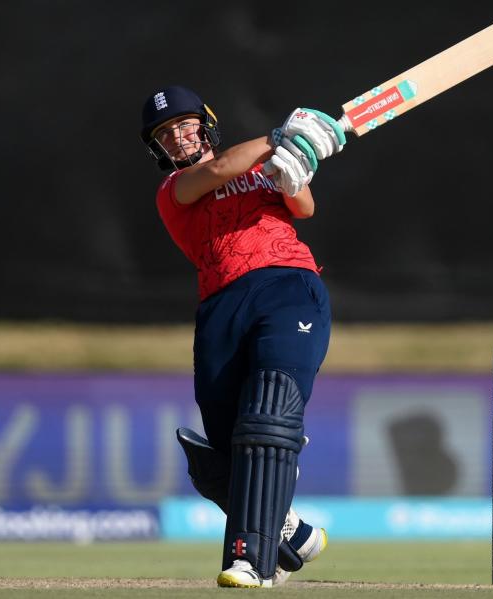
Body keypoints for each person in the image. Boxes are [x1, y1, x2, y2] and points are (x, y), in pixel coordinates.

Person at [139, 85, 345, 588]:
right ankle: (291, 532)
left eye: (186, 125)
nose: (179, 137)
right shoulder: (174, 191)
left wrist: (294, 166)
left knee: (267, 417)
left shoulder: (259, 167)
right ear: (159, 150)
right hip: (220, 306)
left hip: (287, 284)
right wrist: (278, 138)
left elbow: (304, 207)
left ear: (206, 124)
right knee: (220, 457)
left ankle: (250, 561)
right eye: (167, 134)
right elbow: (215, 172)